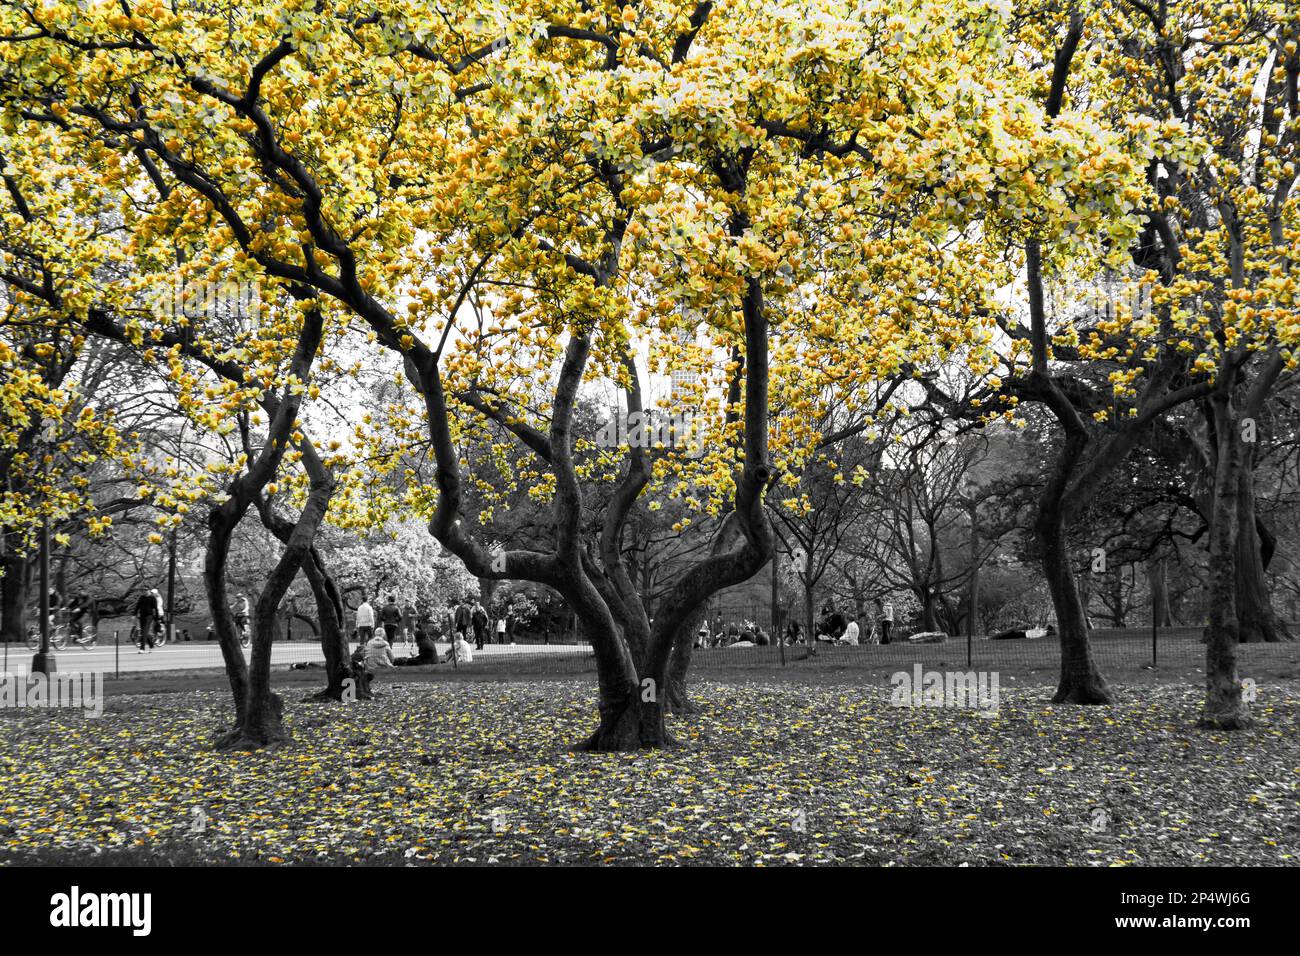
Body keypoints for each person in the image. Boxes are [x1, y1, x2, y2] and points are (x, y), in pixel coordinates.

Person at [135, 588, 159, 653]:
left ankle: (142, 648)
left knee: (145, 631)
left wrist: (157, 618)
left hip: (149, 616)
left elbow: (155, 608)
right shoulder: (141, 598)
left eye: (146, 590)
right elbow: (137, 606)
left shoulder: (153, 598)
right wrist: (134, 614)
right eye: (143, 590)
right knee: (144, 632)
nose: (144, 591)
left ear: (149, 591)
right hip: (142, 616)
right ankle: (151, 645)